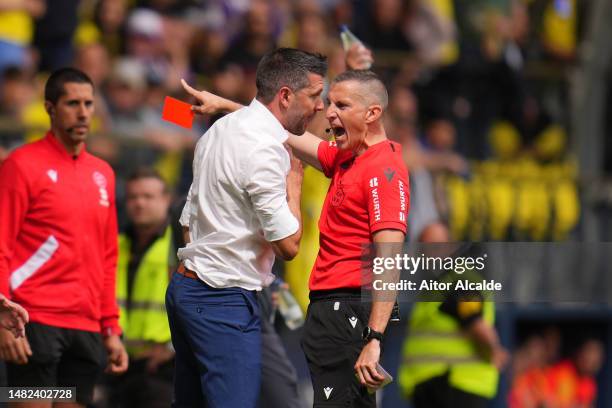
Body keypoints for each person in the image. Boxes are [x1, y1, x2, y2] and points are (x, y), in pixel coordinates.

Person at [183, 68, 408, 407]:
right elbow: (287, 135)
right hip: (328, 310)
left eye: (342, 105)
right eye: (329, 102)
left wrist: (374, 338)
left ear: (372, 113)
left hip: (349, 309)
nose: (329, 112)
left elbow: (390, 257)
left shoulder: (384, 169)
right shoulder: (349, 157)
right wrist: (225, 105)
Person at [166, 48, 327, 408]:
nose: (322, 108)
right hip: (224, 296)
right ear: (285, 95)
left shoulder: (219, 129)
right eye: (315, 96)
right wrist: (295, 181)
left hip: (189, 287)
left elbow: (187, 219)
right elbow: (288, 245)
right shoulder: (267, 151)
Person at [0, 67, 128, 407]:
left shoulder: (103, 173)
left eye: (88, 103)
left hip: (85, 328)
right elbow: (1, 245)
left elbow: (107, 256)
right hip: (33, 321)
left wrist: (110, 327)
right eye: (72, 103)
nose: (84, 112)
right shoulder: (21, 164)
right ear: (50, 108)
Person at [105, 168, 175, 408]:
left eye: (148, 196)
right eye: (133, 197)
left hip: (163, 367)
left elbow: (201, 303)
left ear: (167, 199)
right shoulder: (116, 245)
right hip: (119, 362)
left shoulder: (180, 247)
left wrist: (172, 348)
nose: (139, 203)